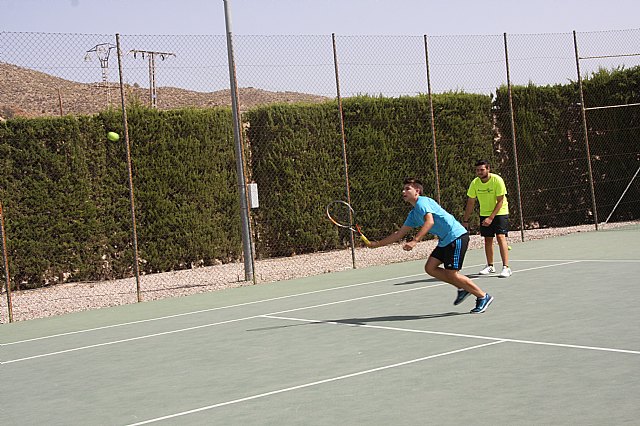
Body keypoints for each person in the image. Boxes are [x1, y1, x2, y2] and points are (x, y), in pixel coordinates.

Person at [368, 177, 494, 314]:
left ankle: (482, 296)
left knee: (452, 273)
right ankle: (462, 287)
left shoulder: (423, 202)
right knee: (430, 268)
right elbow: (399, 234)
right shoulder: (413, 213)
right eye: (403, 189)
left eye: (407, 189)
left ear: (417, 191)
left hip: (456, 236)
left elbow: (430, 222)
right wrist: (377, 244)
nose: (403, 191)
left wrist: (415, 240)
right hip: (445, 240)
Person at [462, 159, 512, 278]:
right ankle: (490, 266)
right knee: (488, 239)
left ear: (488, 169)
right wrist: (465, 220)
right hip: (484, 213)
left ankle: (506, 268)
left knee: (500, 236)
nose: (479, 172)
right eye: (477, 170)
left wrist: (491, 217)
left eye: (482, 170)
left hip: (500, 212)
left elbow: (500, 201)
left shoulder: (497, 180)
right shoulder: (475, 183)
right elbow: (470, 202)